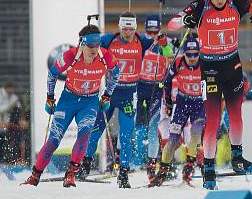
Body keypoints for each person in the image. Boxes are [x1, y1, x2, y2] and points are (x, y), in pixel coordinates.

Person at [180, 0, 252, 190]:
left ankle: (238, 158)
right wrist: (185, 20)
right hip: (209, 69)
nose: (220, 0)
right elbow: (175, 21)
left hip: (232, 66)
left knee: (236, 115)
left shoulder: (237, 2)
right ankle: (208, 168)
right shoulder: (200, 6)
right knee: (213, 120)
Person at [22, 24, 120, 187]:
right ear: (82, 43)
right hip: (68, 101)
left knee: (84, 133)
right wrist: (50, 98)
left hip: (89, 103)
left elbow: (116, 74)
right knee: (54, 139)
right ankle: (34, 176)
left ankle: (71, 174)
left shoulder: (105, 56)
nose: (94, 50)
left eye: (97, 45)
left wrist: (107, 95)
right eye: (90, 46)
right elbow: (52, 73)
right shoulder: (70, 56)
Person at [80, 11, 169, 188]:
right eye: (124, 29)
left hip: (129, 95)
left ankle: (123, 174)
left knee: (126, 135)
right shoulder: (108, 40)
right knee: (96, 129)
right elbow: (88, 45)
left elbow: (166, 53)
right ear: (120, 27)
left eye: (131, 29)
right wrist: (86, 37)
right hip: (109, 94)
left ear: (135, 28)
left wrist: (164, 43)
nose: (127, 33)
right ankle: (85, 165)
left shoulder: (142, 41)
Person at [150, 38, 205, 187]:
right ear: (184, 53)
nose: (192, 58)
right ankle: (162, 173)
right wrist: (167, 102)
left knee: (194, 137)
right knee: (173, 139)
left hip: (198, 105)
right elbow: (167, 83)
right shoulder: (178, 61)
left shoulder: (205, 63)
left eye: (195, 54)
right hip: (181, 104)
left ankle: (188, 170)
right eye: (189, 54)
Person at [135, 13, 175, 178]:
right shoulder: (140, 43)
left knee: (153, 127)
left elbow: (171, 58)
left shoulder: (164, 44)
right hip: (140, 86)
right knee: (138, 127)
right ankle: (134, 162)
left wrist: (164, 44)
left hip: (156, 89)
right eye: (149, 32)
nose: (152, 35)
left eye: (155, 32)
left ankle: (151, 165)